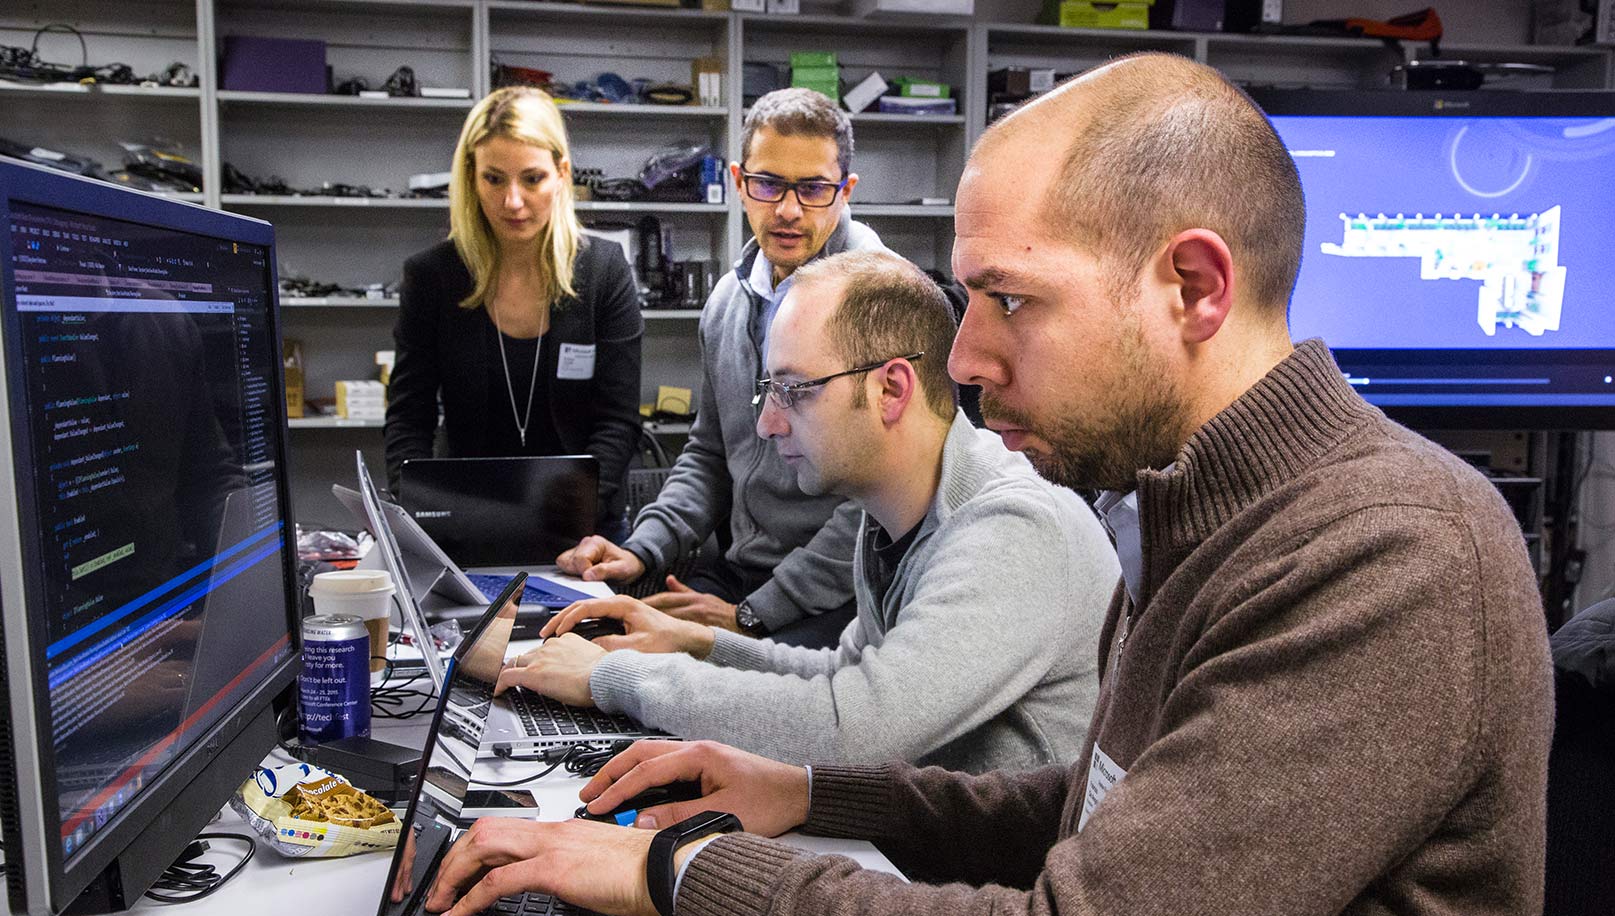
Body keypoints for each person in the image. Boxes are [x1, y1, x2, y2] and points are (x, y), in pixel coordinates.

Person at [421, 53, 1554, 916]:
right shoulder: (1183, 508)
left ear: (1194, 287)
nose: (960, 361)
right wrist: (812, 793)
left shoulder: (1388, 556)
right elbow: (1089, 811)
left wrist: (683, 866)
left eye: (1008, 301)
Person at [496, 250, 1118, 773]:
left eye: (792, 390)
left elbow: (855, 726)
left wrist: (614, 677)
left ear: (891, 390)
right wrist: (694, 644)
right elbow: (846, 670)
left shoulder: (1012, 527)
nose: (767, 423)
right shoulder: (893, 514)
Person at [555, 88, 888, 648]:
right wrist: (642, 549)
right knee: (603, 641)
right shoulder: (727, 302)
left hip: (844, 594)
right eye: (768, 184)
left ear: (845, 190)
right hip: (742, 572)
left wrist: (753, 616)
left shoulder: (881, 304)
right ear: (738, 182)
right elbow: (710, 453)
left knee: (676, 681)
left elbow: (877, 504)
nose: (787, 209)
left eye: (812, 189)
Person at [384, 86, 642, 541]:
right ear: (471, 177)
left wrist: (577, 512)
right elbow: (409, 416)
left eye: (532, 178)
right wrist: (416, 515)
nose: (513, 202)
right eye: (495, 179)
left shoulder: (604, 271)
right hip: (464, 518)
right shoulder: (432, 276)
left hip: (582, 526)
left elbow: (617, 421)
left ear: (562, 173)